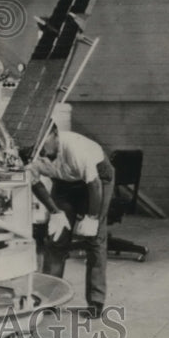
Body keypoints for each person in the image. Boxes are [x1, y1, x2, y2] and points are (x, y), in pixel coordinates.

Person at [28, 127, 114, 318]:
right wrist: (55, 212)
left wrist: (92, 218)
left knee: (95, 240)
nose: (40, 148)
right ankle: (48, 298)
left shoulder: (75, 148)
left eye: (44, 142)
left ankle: (96, 302)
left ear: (56, 136)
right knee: (56, 238)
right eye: (37, 143)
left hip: (97, 180)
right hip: (64, 183)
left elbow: (95, 185)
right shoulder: (31, 154)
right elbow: (35, 183)